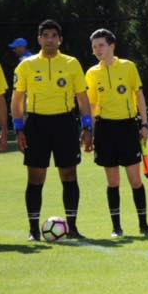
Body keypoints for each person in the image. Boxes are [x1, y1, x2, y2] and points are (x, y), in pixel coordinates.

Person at [12, 20, 93, 240]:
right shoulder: (26, 66)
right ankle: (33, 231)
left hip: (65, 123)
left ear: (60, 40)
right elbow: (17, 99)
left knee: (69, 175)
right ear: (39, 39)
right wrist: (19, 129)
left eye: (53, 36)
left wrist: (87, 127)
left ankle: (73, 228)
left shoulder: (71, 63)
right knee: (36, 178)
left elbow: (82, 98)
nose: (49, 39)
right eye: (45, 35)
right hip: (36, 125)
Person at [85, 28, 148, 237]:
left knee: (135, 179)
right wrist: (91, 132)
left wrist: (144, 124)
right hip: (105, 130)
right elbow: (91, 105)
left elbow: (139, 95)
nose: (98, 50)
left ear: (112, 46)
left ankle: (144, 225)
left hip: (127, 128)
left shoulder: (128, 67)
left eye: (101, 45)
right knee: (113, 181)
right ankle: (116, 228)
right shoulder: (91, 73)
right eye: (94, 46)